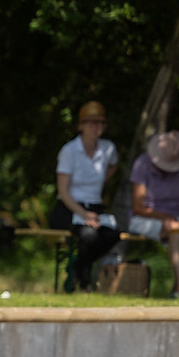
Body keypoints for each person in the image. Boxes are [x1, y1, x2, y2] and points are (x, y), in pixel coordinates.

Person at [49, 101, 120, 292]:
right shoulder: (69, 151)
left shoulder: (108, 148)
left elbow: (113, 165)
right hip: (69, 207)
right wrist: (84, 214)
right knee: (89, 236)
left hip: (95, 206)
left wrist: (101, 180)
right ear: (81, 126)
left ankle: (77, 266)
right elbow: (63, 191)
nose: (95, 127)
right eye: (90, 122)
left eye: (99, 123)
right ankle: (83, 276)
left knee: (113, 235)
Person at [129, 131, 179, 299]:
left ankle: (176, 288)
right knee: (175, 230)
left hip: (174, 219)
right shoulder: (142, 164)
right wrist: (164, 217)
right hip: (145, 218)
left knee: (175, 228)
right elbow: (138, 207)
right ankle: (178, 288)